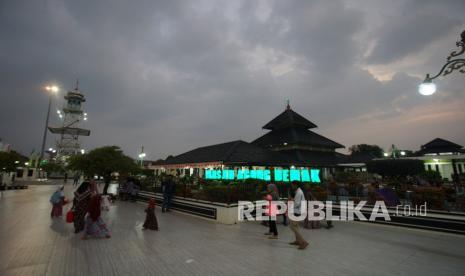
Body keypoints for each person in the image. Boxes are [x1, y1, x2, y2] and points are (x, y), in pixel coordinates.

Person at [289, 181, 309, 250]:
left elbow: (297, 203)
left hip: (297, 211)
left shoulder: (299, 192)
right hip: (298, 210)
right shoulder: (298, 191)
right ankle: (297, 241)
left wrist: (290, 203)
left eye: (292, 185)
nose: (292, 186)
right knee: (296, 226)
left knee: (292, 226)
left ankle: (303, 242)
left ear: (295, 185)